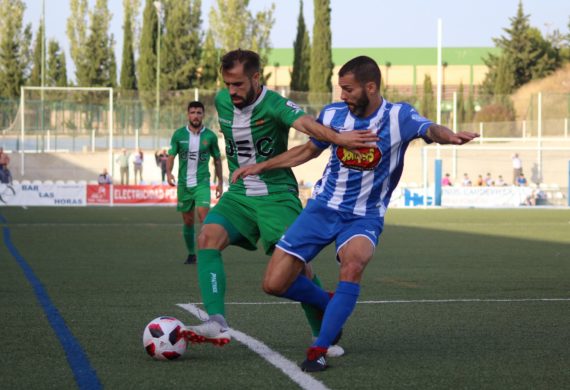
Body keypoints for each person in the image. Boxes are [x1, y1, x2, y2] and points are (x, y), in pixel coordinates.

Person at [231, 56, 478, 371]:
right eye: (340, 89)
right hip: (322, 208)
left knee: (354, 263)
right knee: (274, 284)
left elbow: (430, 128)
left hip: (364, 216)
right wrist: (261, 166)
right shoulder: (333, 115)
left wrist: (452, 136)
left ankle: (319, 348)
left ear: (370, 87)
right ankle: (328, 300)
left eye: (348, 89)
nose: (342, 96)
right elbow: (307, 150)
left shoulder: (398, 116)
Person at [183, 49, 377, 356]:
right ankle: (216, 320)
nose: (231, 91)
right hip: (240, 193)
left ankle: (322, 334)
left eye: (238, 84)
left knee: (297, 269)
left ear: (256, 78)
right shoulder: (221, 101)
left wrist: (338, 138)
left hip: (277, 195)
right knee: (208, 236)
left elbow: (306, 124)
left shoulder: (274, 104)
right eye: (227, 84)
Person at [167, 101, 223, 265]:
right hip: (184, 185)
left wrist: (219, 182)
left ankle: (206, 253)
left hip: (202, 183)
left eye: (199, 113)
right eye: (193, 112)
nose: (196, 116)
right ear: (188, 115)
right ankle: (192, 254)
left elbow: (218, 160)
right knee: (188, 221)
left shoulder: (210, 137)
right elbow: (171, 156)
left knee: (204, 218)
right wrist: (169, 173)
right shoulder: (178, 135)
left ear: (203, 115)